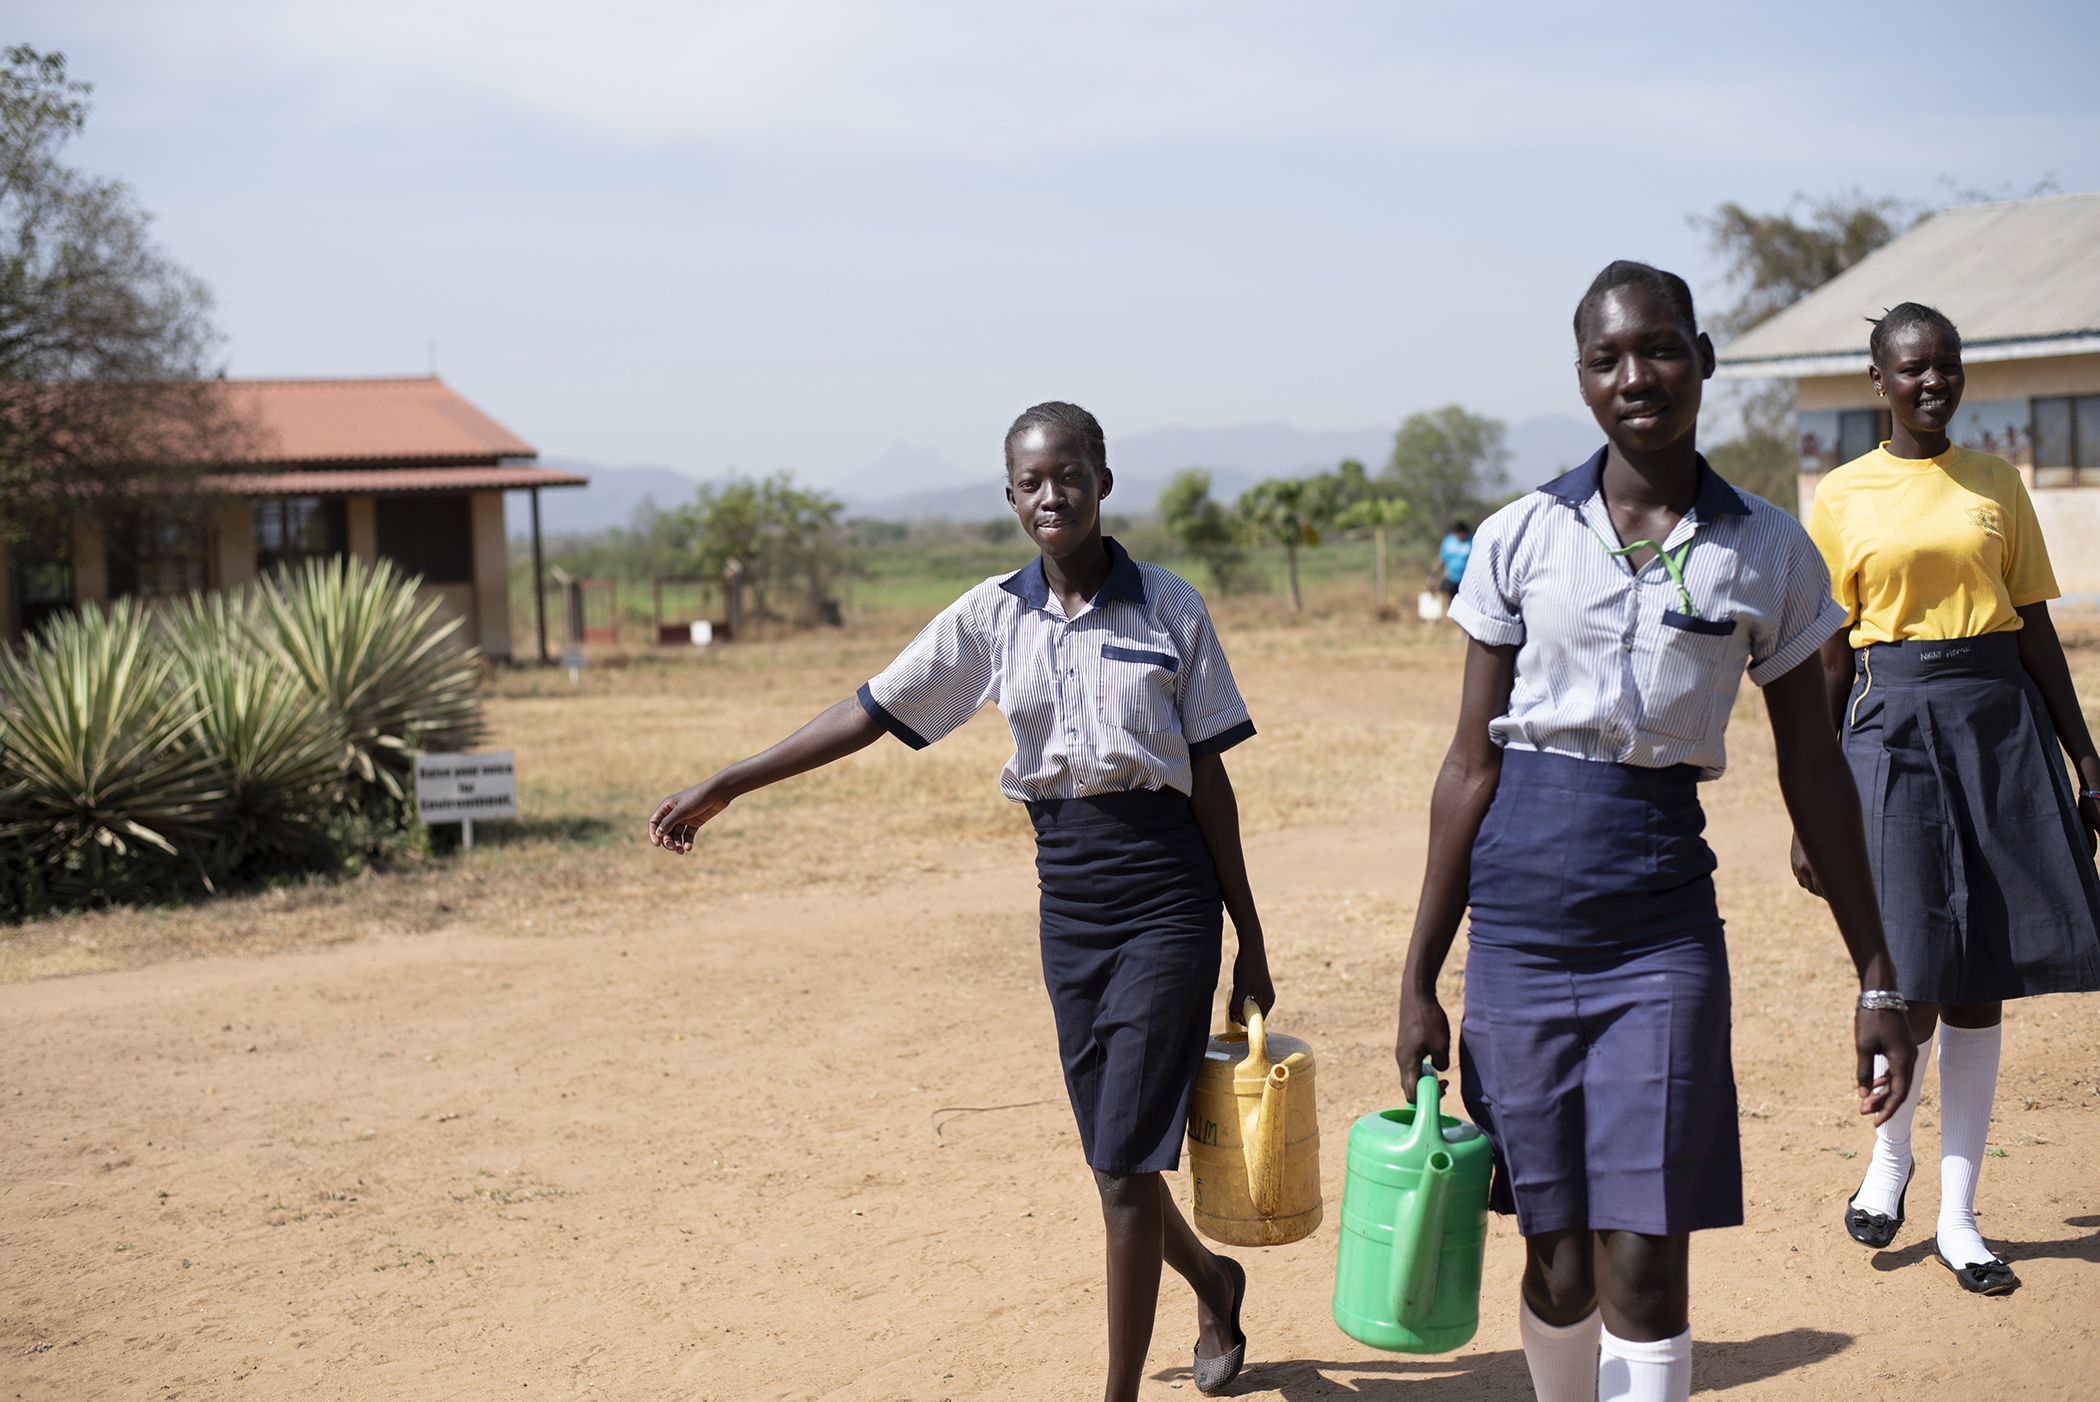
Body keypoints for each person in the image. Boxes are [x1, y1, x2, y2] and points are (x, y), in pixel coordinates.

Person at [648, 402, 1274, 1401]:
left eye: (1069, 473)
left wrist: (1249, 935)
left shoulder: (1171, 607)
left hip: (1166, 893)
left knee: (1121, 1165)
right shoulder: (992, 615)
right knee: (1115, 1162)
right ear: (1012, 496)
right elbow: (870, 708)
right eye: (1030, 481)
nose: (1051, 494)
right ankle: (1214, 1282)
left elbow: (1211, 782)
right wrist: (732, 779)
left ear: (1103, 480)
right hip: (1067, 894)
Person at [1392, 261, 1916, 1402]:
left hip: (1661, 926)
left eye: (1661, 348)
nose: (1638, 376)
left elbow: (1814, 771)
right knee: (1558, 1252)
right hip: (1521, 922)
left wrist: (1875, 971)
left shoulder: (1768, 547)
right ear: (1582, 380)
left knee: (1647, 1251)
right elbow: (1469, 764)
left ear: (1704, 358)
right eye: (1607, 357)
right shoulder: (1519, 535)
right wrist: (1421, 974)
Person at [1798, 302, 2100, 1296]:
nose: (1935, 382)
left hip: (2000, 729)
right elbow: (1832, 656)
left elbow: (2034, 629)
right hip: (1895, 731)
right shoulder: (1841, 496)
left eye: (1948, 366)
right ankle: (1888, 1167)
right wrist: (1816, 803)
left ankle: (1960, 1217)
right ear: (1879, 380)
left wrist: (2087, 762)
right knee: (1910, 967)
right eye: (1914, 369)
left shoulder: (1995, 482)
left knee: (1980, 980)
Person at [1438, 519, 1474, 606]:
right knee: (1451, 602)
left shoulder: (1472, 541)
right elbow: (1442, 559)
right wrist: (1434, 574)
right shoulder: (1448, 541)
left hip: (1467, 579)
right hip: (1451, 578)